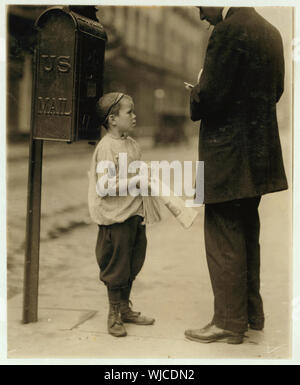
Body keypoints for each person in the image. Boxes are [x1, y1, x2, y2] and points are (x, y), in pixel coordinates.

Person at [184, 7, 288, 344]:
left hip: (226, 157)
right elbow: (276, 91)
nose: (200, 13)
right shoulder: (271, 32)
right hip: (257, 156)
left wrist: (196, 90)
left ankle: (228, 322)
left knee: (223, 237)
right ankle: (250, 315)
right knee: (246, 233)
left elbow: (211, 97)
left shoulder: (227, 32)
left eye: (201, 5)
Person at [88, 92, 157, 337]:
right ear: (113, 119)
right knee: (116, 266)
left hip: (133, 214)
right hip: (115, 217)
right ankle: (114, 313)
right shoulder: (107, 148)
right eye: (130, 112)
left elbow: (136, 175)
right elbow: (105, 186)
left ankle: (125, 308)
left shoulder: (131, 144)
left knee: (132, 262)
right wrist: (136, 179)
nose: (135, 116)